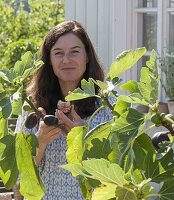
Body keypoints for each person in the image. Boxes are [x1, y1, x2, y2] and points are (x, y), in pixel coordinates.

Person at [15, 20, 114, 200]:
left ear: (87, 56)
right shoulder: (33, 107)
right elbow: (20, 180)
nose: (66, 60)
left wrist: (81, 139)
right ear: (49, 61)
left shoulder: (106, 106)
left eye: (75, 52)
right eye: (58, 53)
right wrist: (40, 141)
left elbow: (115, 172)